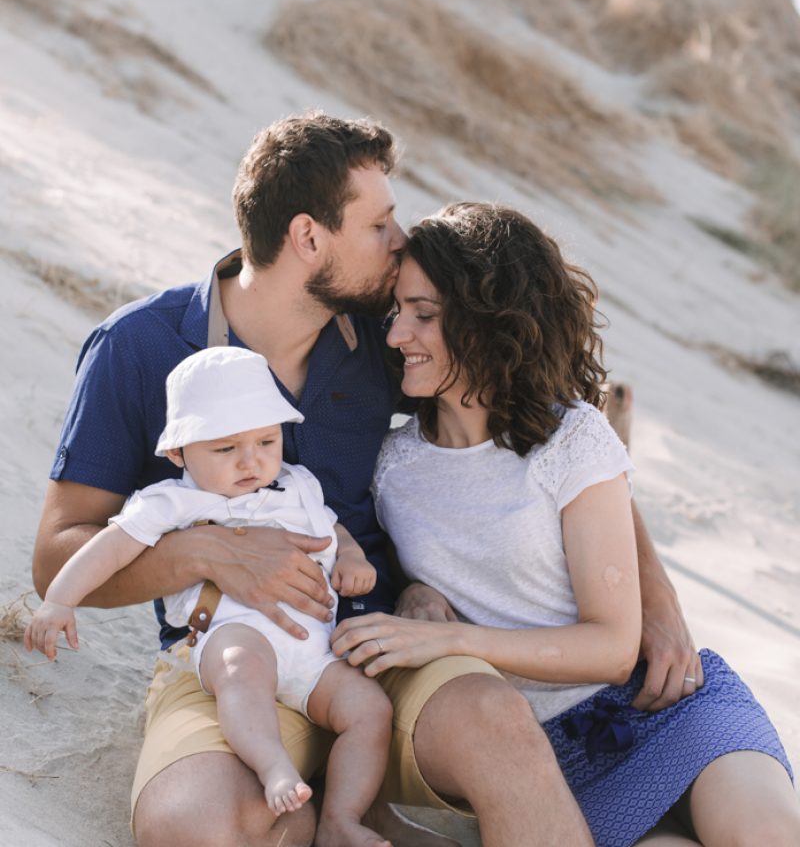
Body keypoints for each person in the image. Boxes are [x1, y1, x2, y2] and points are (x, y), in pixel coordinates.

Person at [32, 112, 695, 847]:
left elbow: (558, 425)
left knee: (497, 728)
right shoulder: (138, 348)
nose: (400, 241)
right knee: (195, 827)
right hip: (234, 659)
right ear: (309, 238)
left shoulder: (387, 333)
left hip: (387, 651)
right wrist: (207, 554)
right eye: (379, 224)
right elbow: (57, 556)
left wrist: (655, 597)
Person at [331, 202, 800, 847]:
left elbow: (611, 649)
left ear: (489, 322)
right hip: (557, 756)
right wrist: (418, 600)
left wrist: (454, 642)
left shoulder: (571, 437)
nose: (395, 335)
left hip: (670, 709)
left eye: (425, 316)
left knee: (767, 836)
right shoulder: (393, 471)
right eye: (397, 313)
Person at [26, 346, 393, 845]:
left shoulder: (298, 484)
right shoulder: (173, 502)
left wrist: (350, 559)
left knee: (369, 710)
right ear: (179, 454)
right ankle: (273, 766)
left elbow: (331, 529)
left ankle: (341, 820)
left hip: (313, 651)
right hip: (231, 634)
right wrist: (60, 600)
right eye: (225, 449)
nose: (251, 460)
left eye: (266, 440)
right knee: (243, 674)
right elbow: (107, 550)